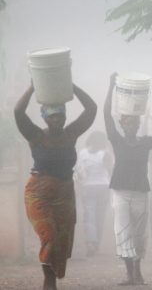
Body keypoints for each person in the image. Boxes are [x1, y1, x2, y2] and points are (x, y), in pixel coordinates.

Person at [14, 82, 97, 290]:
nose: (57, 120)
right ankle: (48, 281)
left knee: (61, 238)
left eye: (60, 116)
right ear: (44, 117)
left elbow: (91, 109)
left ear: (65, 117)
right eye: (52, 116)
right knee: (49, 234)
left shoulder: (71, 134)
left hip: (64, 193)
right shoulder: (36, 136)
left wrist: (72, 87)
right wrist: (33, 87)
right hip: (38, 192)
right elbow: (18, 111)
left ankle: (51, 278)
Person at [104, 72, 152, 286]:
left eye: (134, 123)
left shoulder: (146, 141)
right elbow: (106, 114)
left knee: (138, 234)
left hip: (140, 192)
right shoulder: (117, 140)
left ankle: (138, 273)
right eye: (127, 123)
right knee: (123, 233)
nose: (131, 126)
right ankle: (130, 275)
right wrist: (111, 87)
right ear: (123, 124)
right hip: (120, 191)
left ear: (138, 124)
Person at [75, 130, 112, 257]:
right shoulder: (105, 154)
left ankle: (91, 242)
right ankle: (96, 244)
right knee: (99, 217)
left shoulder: (82, 153)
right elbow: (111, 171)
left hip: (88, 187)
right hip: (103, 187)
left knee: (89, 217)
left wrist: (80, 184)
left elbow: (78, 171)